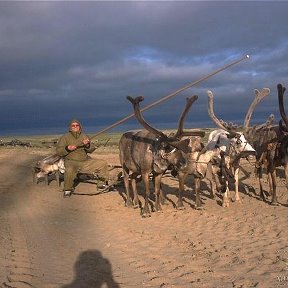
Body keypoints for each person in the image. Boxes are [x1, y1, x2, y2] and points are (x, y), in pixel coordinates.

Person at [56, 119, 110, 198]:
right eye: (73, 125)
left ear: (79, 127)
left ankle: (101, 185)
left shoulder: (84, 136)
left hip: (85, 162)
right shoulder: (64, 137)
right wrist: (67, 148)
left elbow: (91, 149)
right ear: (70, 127)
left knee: (102, 163)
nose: (75, 127)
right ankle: (67, 189)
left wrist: (87, 145)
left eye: (77, 125)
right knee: (69, 170)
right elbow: (59, 151)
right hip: (71, 162)